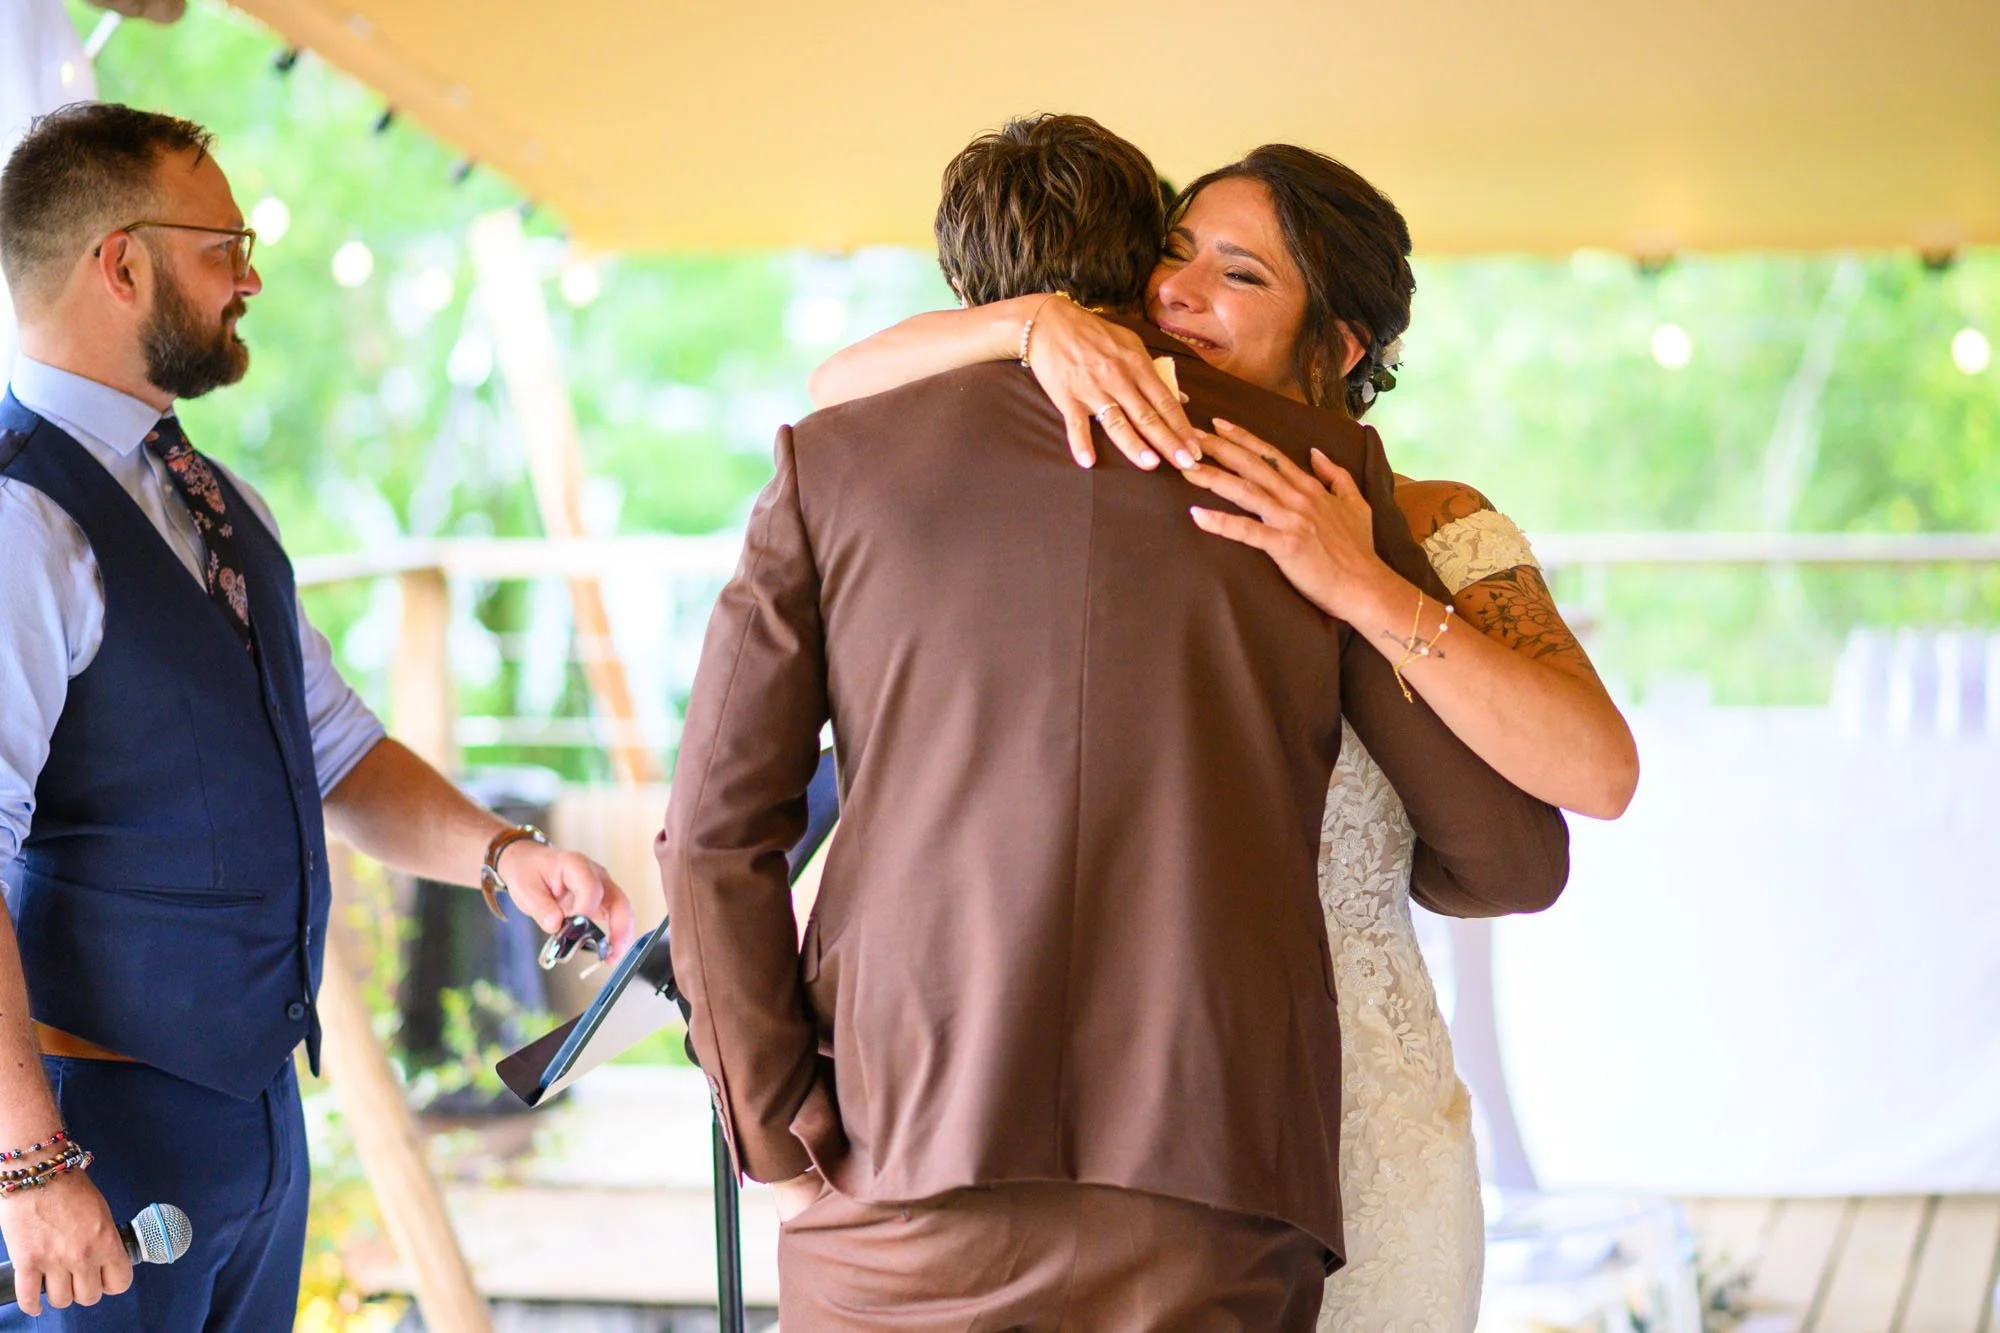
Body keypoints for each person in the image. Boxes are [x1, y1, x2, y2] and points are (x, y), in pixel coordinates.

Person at [659, 112, 1569, 1331]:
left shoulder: (832, 462)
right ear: (1137, 266)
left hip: (896, 1160)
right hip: (1213, 1181)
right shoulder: (1315, 475)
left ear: (957, 276)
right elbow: (1509, 854)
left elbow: (715, 835)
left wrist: (777, 1134)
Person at [0, 102, 636, 1328]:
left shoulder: (216, 497)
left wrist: (504, 857)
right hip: (89, 1139)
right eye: (223, 245)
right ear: (119, 263)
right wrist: (27, 1160)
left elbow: (336, 749)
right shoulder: (23, 522)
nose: (249, 277)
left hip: (257, 1121)